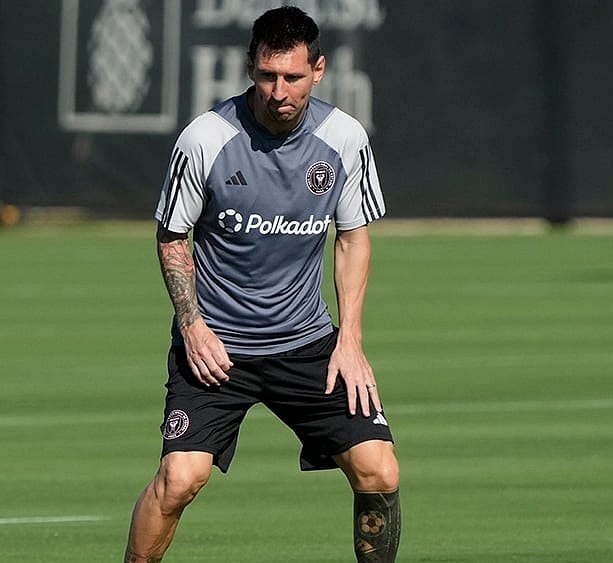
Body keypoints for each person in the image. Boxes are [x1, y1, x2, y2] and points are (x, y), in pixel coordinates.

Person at [122, 6, 400, 563]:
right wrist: (192, 327)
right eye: (268, 76)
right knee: (179, 478)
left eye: (293, 77)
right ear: (251, 68)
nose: (280, 91)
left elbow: (352, 238)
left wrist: (351, 341)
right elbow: (172, 237)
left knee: (379, 469)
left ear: (318, 70)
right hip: (218, 351)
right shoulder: (206, 138)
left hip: (306, 344)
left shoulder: (344, 138)